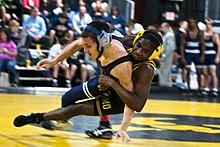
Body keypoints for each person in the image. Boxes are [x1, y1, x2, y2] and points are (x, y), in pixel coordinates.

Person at [13, 20, 134, 142]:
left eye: (88, 46)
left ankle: (41, 118)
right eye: (85, 45)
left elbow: (131, 99)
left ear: (103, 42)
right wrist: (54, 61)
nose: (85, 50)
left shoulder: (122, 64)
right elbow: (77, 44)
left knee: (78, 107)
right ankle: (103, 125)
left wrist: (123, 128)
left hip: (119, 94)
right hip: (108, 77)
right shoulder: (101, 40)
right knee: (67, 98)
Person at [85, 30, 163, 140]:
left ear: (152, 54)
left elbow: (136, 104)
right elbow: (100, 48)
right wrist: (104, 73)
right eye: (139, 46)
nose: (139, 51)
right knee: (100, 90)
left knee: (125, 93)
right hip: (115, 69)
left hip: (125, 77)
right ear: (136, 41)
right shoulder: (126, 41)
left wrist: (123, 128)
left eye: (145, 51)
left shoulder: (146, 68)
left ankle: (110, 126)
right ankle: (105, 124)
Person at [180, 19, 205, 95]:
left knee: (199, 72)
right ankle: (188, 88)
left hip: (196, 53)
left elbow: (203, 45)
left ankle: (200, 89)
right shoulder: (185, 33)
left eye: (193, 22)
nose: (192, 24)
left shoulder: (200, 33)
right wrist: (183, 57)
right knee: (188, 71)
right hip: (188, 53)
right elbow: (182, 45)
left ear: (196, 23)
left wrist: (202, 56)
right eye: (190, 23)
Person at [201, 19, 220, 96]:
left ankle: (215, 89)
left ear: (211, 25)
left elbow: (219, 46)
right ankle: (206, 88)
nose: (207, 26)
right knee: (205, 73)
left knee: (213, 73)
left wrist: (218, 57)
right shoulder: (203, 34)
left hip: (212, 54)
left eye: (209, 24)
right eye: (206, 24)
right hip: (205, 54)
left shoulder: (215, 35)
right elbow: (203, 46)